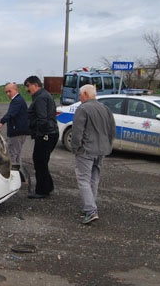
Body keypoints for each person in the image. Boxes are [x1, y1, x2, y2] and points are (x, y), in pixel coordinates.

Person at [70, 84, 116, 224]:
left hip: (86, 150)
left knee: (83, 179)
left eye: (80, 95)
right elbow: (112, 130)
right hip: (102, 149)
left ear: (85, 94)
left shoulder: (83, 108)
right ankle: (90, 206)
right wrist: (108, 144)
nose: (79, 97)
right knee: (94, 178)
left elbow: (77, 131)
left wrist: (75, 148)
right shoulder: (105, 108)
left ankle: (90, 210)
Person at [24, 76, 59, 198]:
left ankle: (42, 191)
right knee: (41, 161)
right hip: (49, 133)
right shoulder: (44, 95)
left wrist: (40, 133)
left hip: (46, 134)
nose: (28, 90)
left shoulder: (41, 98)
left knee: (39, 161)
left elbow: (42, 118)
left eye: (28, 86)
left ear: (35, 85)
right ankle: (47, 186)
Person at [0, 82, 29, 171]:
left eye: (9, 91)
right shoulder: (19, 100)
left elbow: (11, 113)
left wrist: (2, 122)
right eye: (6, 92)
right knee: (17, 154)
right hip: (20, 131)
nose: (8, 94)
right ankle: (19, 174)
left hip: (16, 132)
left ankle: (14, 177)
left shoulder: (17, 101)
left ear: (16, 90)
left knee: (13, 155)